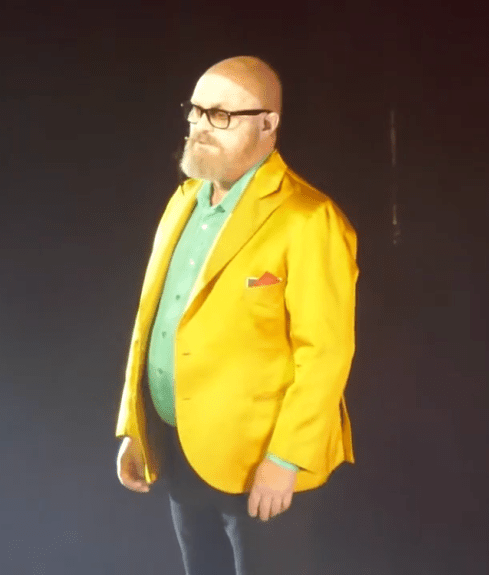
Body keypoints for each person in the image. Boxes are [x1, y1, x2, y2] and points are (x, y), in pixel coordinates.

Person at [114, 55, 359, 575]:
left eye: (221, 115)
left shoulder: (308, 218)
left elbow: (326, 351)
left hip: (261, 466)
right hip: (180, 449)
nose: (202, 125)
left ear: (267, 124)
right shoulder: (184, 202)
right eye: (196, 110)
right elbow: (151, 323)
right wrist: (137, 428)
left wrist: (286, 459)